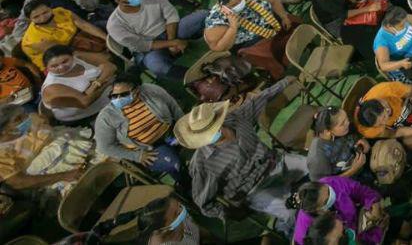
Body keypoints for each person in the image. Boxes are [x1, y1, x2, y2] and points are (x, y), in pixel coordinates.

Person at [176, 77, 308, 233]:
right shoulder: (202, 163)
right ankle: (285, 228)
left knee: (317, 167)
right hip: (254, 190)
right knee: (291, 213)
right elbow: (204, 202)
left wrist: (286, 82)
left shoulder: (235, 118)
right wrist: (227, 213)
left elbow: (261, 98)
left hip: (277, 162)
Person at [94, 71, 185, 181]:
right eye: (114, 96)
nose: (118, 99)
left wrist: (184, 124)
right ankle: (188, 187)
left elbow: (173, 106)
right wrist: (137, 156)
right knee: (173, 163)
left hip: (170, 133)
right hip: (148, 150)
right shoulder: (106, 116)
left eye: (124, 95)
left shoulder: (150, 90)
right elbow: (104, 147)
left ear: (136, 90)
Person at [106, 0, 205, 79]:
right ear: (118, 0)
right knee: (157, 66)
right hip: (149, 49)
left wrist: (172, 41)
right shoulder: (115, 24)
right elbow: (141, 45)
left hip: (172, 31)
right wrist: (173, 43)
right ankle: (198, 78)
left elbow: (171, 16)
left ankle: (210, 39)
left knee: (203, 15)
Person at [290, 176, 385, 245]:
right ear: (317, 210)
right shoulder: (310, 234)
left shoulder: (330, 183)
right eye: (327, 201)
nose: (333, 194)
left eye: (329, 190)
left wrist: (372, 201)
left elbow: (359, 190)